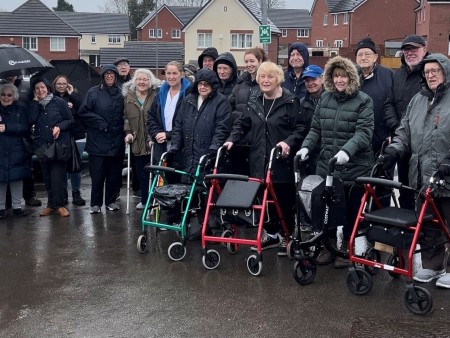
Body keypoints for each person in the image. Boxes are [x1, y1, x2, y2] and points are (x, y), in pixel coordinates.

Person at [379, 53, 450, 289]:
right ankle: (433, 265)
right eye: (427, 72)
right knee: (429, 225)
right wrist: (393, 151)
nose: (430, 75)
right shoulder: (418, 100)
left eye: (435, 71)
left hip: (446, 175)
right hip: (421, 176)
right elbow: (404, 133)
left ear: (445, 72)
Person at [298, 56, 374, 268]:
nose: (340, 80)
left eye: (344, 76)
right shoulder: (325, 99)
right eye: (336, 76)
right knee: (326, 209)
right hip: (327, 166)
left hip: (354, 166)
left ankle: (345, 250)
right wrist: (306, 146)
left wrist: (346, 152)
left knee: (350, 212)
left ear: (352, 78)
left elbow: (364, 133)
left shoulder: (364, 101)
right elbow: (316, 129)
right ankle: (328, 246)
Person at [225, 61, 307, 256]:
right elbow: (242, 124)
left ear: (278, 79)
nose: (265, 80)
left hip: (281, 160)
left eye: (270, 76)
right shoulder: (255, 100)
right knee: (265, 198)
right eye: (262, 76)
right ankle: (271, 234)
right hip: (259, 159)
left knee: (283, 199)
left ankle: (288, 235)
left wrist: (288, 142)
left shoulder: (290, 101)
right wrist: (231, 140)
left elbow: (301, 129)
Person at [384, 35, 429, 210]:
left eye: (414, 49)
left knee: (423, 190)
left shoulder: (429, 73)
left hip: (422, 144)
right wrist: (396, 128)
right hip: (401, 142)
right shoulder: (398, 75)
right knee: (404, 188)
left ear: (424, 50)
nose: (410, 53)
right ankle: (408, 232)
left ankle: (426, 232)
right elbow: (389, 103)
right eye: (406, 50)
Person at [78, 65, 125, 214]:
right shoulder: (93, 92)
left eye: (112, 74)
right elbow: (83, 112)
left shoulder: (121, 93)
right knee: (97, 175)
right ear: (103, 76)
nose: (110, 77)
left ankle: (110, 201)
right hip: (97, 141)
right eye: (107, 74)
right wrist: (100, 123)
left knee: (113, 174)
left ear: (116, 76)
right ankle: (95, 203)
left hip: (116, 140)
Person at [170, 68, 231, 175]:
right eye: (200, 84)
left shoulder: (221, 102)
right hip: (188, 152)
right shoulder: (188, 100)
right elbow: (178, 125)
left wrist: (215, 146)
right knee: (188, 184)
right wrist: (175, 145)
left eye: (206, 84)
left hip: (208, 153)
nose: (202, 87)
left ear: (213, 85)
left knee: (205, 185)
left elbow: (222, 127)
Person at [28, 77, 73, 217]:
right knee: (47, 176)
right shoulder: (35, 104)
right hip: (42, 145)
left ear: (48, 88)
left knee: (57, 177)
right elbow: (31, 120)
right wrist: (36, 102)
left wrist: (59, 126)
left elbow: (70, 120)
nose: (40, 90)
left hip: (58, 145)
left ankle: (60, 205)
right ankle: (50, 204)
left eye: (42, 87)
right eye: (37, 88)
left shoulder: (58, 102)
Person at [227, 47, 268, 175]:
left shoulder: (265, 84)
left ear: (260, 61)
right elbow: (229, 106)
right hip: (240, 138)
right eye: (246, 62)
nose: (249, 65)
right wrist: (241, 116)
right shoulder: (240, 84)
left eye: (252, 61)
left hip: (257, 139)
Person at [2, 75, 41, 207]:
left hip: (22, 138)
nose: (6, 96)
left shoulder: (26, 86)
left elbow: (32, 108)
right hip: (4, 140)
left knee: (25, 170)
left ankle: (29, 195)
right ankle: (7, 202)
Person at [123, 69, 159, 210]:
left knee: (155, 172)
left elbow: (158, 117)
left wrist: (153, 136)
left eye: (145, 79)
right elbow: (125, 117)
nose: (142, 82)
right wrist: (128, 132)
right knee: (141, 173)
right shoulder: (128, 96)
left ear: (150, 81)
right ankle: (145, 200)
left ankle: (156, 200)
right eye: (139, 79)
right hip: (137, 140)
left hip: (154, 141)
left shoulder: (156, 95)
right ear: (134, 81)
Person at [355, 37, 394, 157]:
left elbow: (394, 103)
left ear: (375, 57)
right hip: (355, 137)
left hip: (381, 137)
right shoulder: (349, 76)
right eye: (360, 54)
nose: (363, 58)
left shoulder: (388, 75)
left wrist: (390, 132)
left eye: (367, 54)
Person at [147, 61, 191, 166]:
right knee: (161, 180)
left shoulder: (189, 94)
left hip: (181, 148)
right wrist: (156, 133)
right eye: (168, 73)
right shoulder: (160, 93)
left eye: (175, 73)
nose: (171, 77)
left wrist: (168, 135)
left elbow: (189, 121)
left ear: (182, 74)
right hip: (161, 146)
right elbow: (151, 116)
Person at [52, 75, 86, 206]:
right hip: (61, 136)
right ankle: (63, 193)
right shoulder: (52, 99)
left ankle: (76, 193)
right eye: (58, 83)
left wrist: (72, 96)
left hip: (77, 135)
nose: (61, 86)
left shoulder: (74, 96)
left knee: (76, 167)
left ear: (68, 85)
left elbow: (83, 109)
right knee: (62, 166)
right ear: (54, 85)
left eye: (64, 83)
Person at [0, 83, 30, 218]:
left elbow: (24, 128)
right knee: (0, 179)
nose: (6, 97)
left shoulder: (20, 109)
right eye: (3, 94)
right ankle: (0, 207)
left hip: (16, 148)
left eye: (9, 95)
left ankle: (17, 206)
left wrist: (7, 127)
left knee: (16, 179)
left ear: (14, 96)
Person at [299, 64, 324, 176]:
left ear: (322, 79)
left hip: (327, 151)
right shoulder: (302, 103)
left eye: (313, 79)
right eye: (307, 80)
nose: (310, 83)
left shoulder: (331, 99)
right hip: (310, 152)